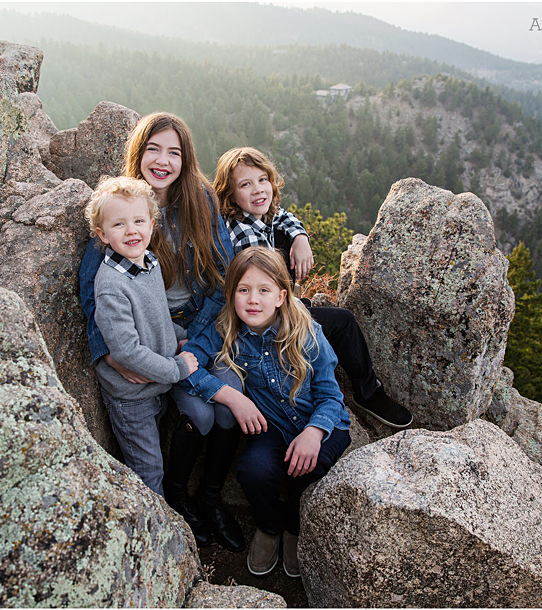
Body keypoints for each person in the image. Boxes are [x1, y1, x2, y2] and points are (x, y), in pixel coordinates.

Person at [79, 112, 246, 552]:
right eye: (153, 149)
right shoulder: (122, 203)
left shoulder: (200, 200)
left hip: (197, 326)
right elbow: (94, 285)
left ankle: (209, 498)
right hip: (151, 337)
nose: (163, 160)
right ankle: (176, 497)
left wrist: (202, 339)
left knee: (228, 412)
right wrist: (108, 353)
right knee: (203, 413)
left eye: (173, 151)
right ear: (138, 153)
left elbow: (222, 277)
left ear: (185, 159)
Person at [213, 146, 413, 429]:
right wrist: (295, 304)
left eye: (262, 180)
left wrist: (300, 236)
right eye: (245, 184)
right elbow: (260, 293)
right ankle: (368, 393)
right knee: (342, 323)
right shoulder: (243, 234)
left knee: (325, 317)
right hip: (262, 324)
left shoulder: (258, 216)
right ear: (230, 194)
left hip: (276, 306)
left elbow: (281, 215)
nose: (258, 190)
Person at [181, 247, 352, 578]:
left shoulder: (306, 332)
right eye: (243, 290)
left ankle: (293, 526)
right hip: (271, 424)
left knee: (307, 469)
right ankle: (270, 525)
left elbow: (331, 395)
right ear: (231, 295)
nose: (253, 300)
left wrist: (314, 432)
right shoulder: (224, 330)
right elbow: (189, 364)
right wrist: (230, 395)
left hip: (319, 422)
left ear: (281, 296)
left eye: (263, 290)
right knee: (254, 470)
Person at [82, 176, 199, 495]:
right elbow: (127, 353)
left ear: (152, 223)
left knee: (158, 452)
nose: (131, 230)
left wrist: (178, 335)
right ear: (102, 234)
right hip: (131, 397)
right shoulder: (111, 287)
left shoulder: (150, 262)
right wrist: (177, 368)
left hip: (157, 382)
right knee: (148, 469)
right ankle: (157, 534)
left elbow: (157, 313)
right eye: (119, 224)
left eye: (138, 220)